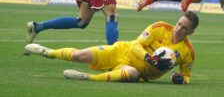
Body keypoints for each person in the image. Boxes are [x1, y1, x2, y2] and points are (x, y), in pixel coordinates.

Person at [25, 11, 199, 84]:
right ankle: (48, 52)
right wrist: (149, 58)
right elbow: (137, 45)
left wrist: (182, 80)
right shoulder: (159, 27)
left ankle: (88, 78)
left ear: (191, 31)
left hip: (136, 72)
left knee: (132, 74)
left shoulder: (187, 52)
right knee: (80, 56)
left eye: (184, 28)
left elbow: (186, 75)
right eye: (179, 24)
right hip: (122, 51)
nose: (179, 28)